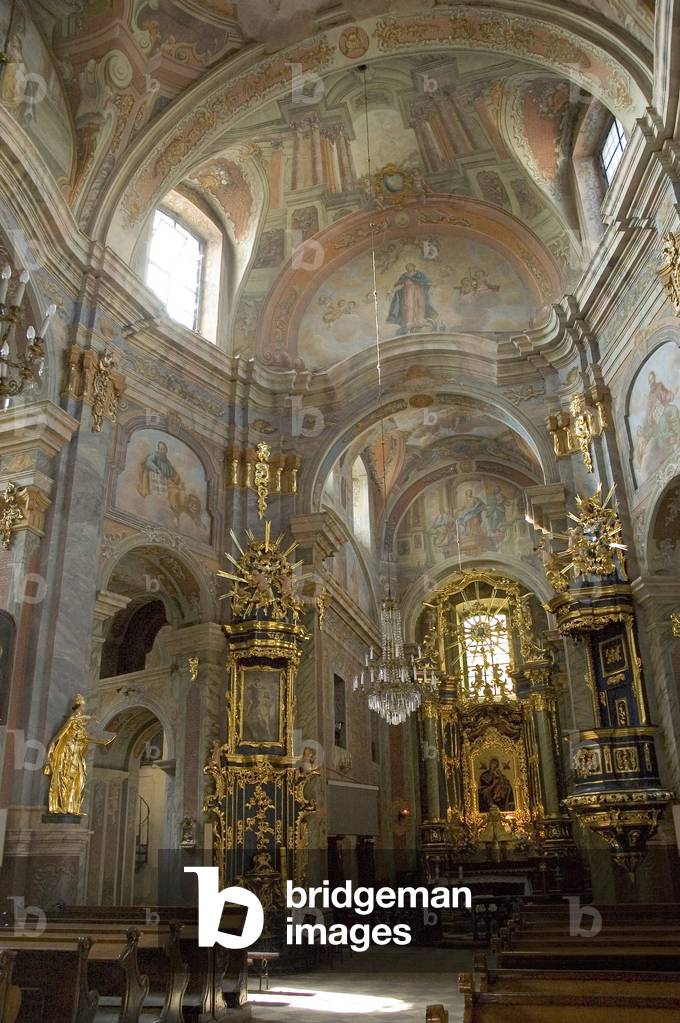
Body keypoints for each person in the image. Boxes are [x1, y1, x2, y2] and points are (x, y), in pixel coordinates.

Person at [387, 263, 437, 335]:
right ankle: (409, 323)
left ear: (413, 267)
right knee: (408, 307)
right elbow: (400, 285)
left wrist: (431, 284)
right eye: (407, 267)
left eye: (410, 266)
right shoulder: (404, 276)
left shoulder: (419, 274)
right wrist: (392, 291)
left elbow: (426, 282)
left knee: (420, 306)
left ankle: (419, 322)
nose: (409, 268)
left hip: (418, 293)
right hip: (408, 294)